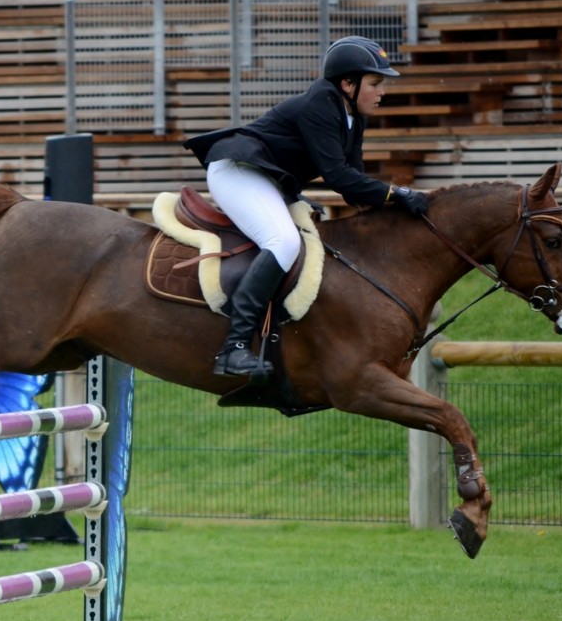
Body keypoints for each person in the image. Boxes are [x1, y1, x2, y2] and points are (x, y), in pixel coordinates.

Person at [183, 36, 429, 379]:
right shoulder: (322, 104)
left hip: (265, 177)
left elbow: (354, 182)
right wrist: (397, 193)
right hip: (237, 170)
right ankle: (234, 348)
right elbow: (339, 177)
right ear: (348, 83)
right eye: (375, 83)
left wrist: (394, 210)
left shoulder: (353, 116)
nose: (381, 92)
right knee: (282, 242)